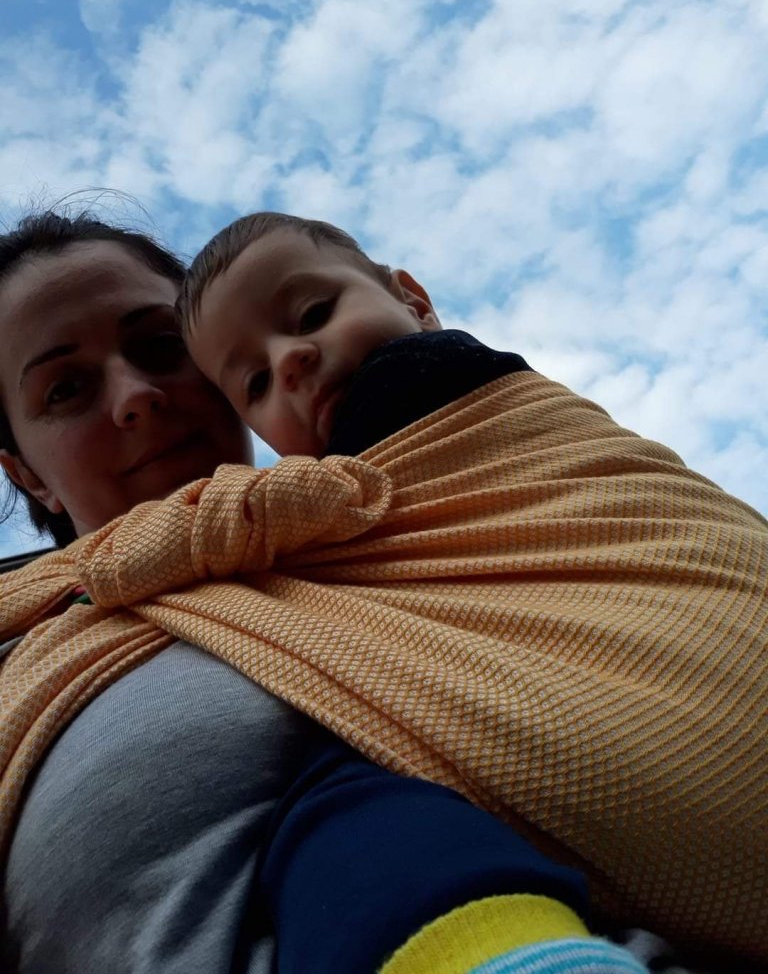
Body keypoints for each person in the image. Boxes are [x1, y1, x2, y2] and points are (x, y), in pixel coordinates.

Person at [0, 211, 650, 974]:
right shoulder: (13, 639)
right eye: (66, 389)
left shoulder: (406, 509)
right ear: (27, 474)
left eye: (162, 348)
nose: (134, 395)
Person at [163, 211, 765, 965]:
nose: (290, 360)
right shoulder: (329, 548)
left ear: (413, 300)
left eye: (313, 314)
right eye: (254, 383)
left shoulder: (437, 377)